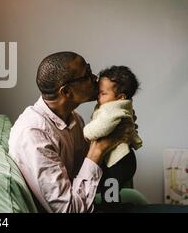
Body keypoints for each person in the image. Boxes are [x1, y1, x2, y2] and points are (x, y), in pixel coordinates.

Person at [8, 52, 133, 212]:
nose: (95, 77)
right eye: (87, 75)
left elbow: (87, 173)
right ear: (66, 92)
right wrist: (98, 149)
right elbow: (68, 209)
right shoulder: (34, 135)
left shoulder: (74, 119)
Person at [84, 66, 143, 204]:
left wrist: (85, 131)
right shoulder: (116, 105)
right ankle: (112, 205)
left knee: (110, 185)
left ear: (120, 97)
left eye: (103, 94)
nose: (98, 96)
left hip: (120, 162)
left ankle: (111, 208)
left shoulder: (114, 110)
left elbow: (101, 128)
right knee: (109, 186)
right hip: (118, 160)